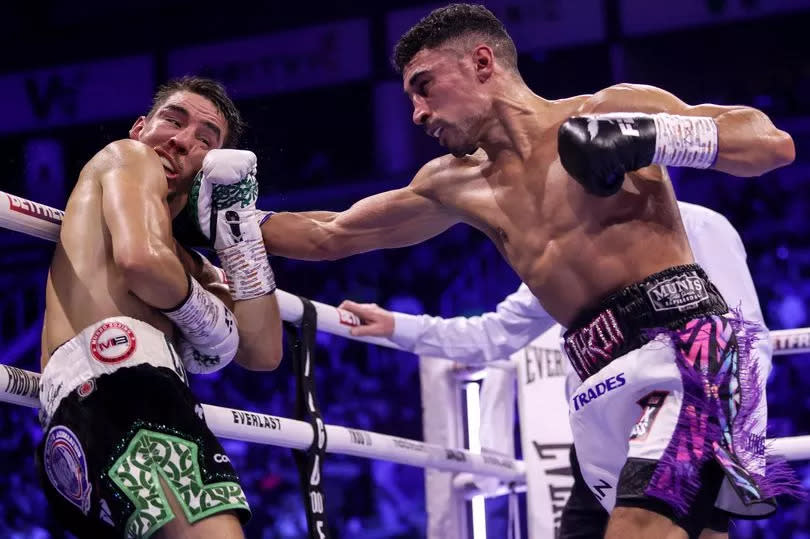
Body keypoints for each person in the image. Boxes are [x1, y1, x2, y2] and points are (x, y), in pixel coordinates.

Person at [223, 4, 797, 536]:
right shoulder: (453, 184)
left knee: (640, 528)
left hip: (687, 352)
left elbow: (770, 145)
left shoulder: (606, 109)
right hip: (596, 381)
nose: (418, 113)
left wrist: (650, 136)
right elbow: (333, 233)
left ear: (481, 63)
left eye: (424, 87)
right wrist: (223, 218)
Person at [337, 201, 774, 539]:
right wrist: (398, 326)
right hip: (600, 445)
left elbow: (747, 339)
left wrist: (729, 437)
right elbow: (497, 332)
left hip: (686, 423)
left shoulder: (698, 225)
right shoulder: (571, 246)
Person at [38, 76, 282, 539]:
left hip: (90, 415)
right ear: (139, 127)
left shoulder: (189, 262)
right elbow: (142, 262)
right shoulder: (127, 156)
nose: (181, 139)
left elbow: (263, 350)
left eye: (204, 141)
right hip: (122, 394)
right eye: (173, 120)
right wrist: (205, 318)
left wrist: (238, 233)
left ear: (209, 170)